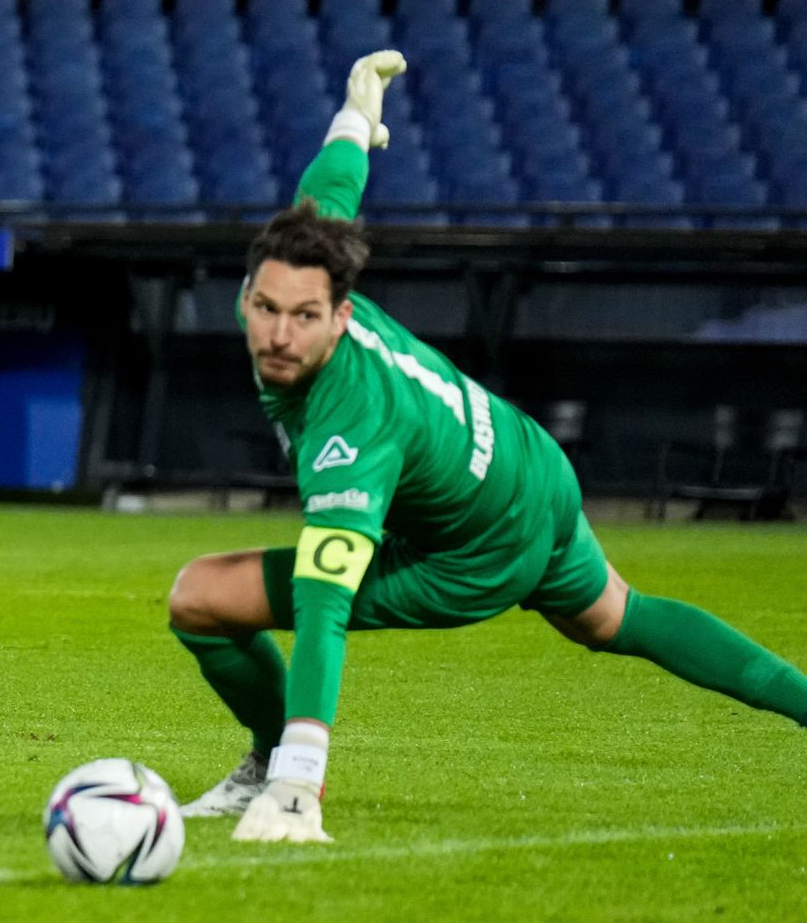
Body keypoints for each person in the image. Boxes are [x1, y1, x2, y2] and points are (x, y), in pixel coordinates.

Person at [168, 50, 807, 843]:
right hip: (530, 465)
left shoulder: (352, 424)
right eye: (266, 308)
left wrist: (303, 780)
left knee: (200, 598)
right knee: (615, 615)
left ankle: (275, 771)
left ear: (341, 314)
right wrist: (356, 118)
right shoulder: (305, 266)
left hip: (474, 555)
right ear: (252, 290)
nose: (278, 332)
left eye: (303, 317)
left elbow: (324, 605)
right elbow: (332, 188)